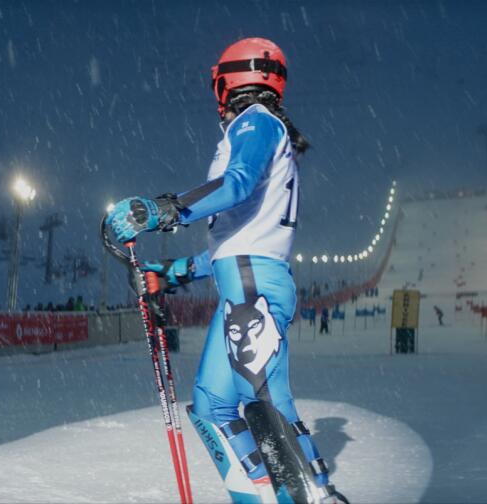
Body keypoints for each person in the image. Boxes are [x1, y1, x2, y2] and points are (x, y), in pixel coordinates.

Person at [105, 37, 344, 504]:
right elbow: (234, 240)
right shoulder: (263, 127)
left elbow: (236, 186)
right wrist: (170, 272)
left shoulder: (257, 123)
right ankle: (257, 496)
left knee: (267, 404)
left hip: (253, 285)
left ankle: (315, 496)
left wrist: (163, 210)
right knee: (213, 405)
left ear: (227, 81)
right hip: (242, 279)